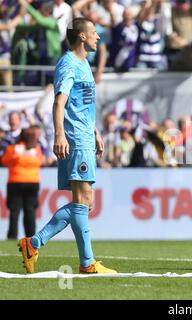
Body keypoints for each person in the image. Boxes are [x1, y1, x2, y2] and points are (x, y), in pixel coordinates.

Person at [18, 17, 117, 274]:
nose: (98, 37)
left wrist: (95, 131)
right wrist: (59, 135)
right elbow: (59, 102)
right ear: (81, 36)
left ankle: (35, 243)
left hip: (84, 135)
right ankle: (86, 263)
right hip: (74, 137)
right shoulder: (68, 63)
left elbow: (81, 104)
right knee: (83, 201)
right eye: (94, 33)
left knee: (85, 202)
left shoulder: (83, 64)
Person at [1, 126, 44, 240]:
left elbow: (4, 160)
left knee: (14, 211)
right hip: (32, 182)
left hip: (15, 181)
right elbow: (40, 161)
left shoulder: (13, 148)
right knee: (30, 210)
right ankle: (31, 237)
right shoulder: (36, 149)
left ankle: (12, 236)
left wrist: (17, 157)